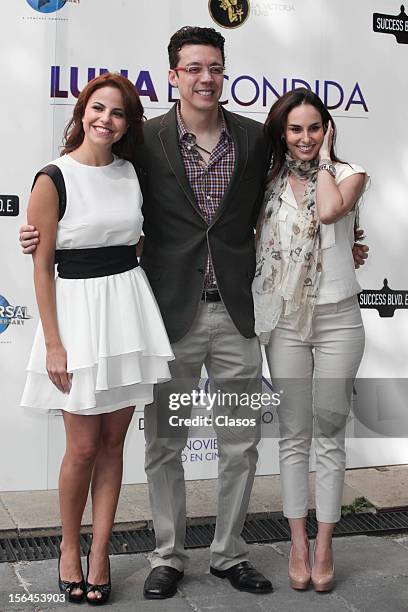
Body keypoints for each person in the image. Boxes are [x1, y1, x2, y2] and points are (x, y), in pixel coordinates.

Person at [19, 27, 368, 600]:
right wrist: (41, 233)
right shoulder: (143, 140)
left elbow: (298, 199)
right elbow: (93, 184)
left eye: (216, 67)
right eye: (194, 68)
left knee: (239, 442)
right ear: (174, 76)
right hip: (163, 314)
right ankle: (167, 555)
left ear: (223, 71)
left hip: (239, 312)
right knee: (163, 445)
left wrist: (352, 242)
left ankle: (229, 553)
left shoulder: (259, 140)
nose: (206, 77)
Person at [20, 73, 173, 605]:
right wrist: (55, 344)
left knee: (113, 444)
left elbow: (145, 235)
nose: (106, 119)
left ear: (128, 124)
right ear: (82, 111)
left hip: (126, 311)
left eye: (118, 113)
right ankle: (68, 547)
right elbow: (41, 270)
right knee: (82, 447)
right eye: (98, 108)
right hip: (76, 316)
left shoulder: (132, 173)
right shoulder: (52, 177)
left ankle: (101, 551)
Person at [253, 88, 368, 592]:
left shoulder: (348, 173)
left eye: (314, 128)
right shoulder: (268, 183)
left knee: (330, 431)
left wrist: (322, 160)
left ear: (328, 130)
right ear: (283, 132)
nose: (305, 137)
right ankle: (297, 542)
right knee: (295, 435)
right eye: (296, 129)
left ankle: (325, 545)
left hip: (339, 317)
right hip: (284, 320)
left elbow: (328, 212)